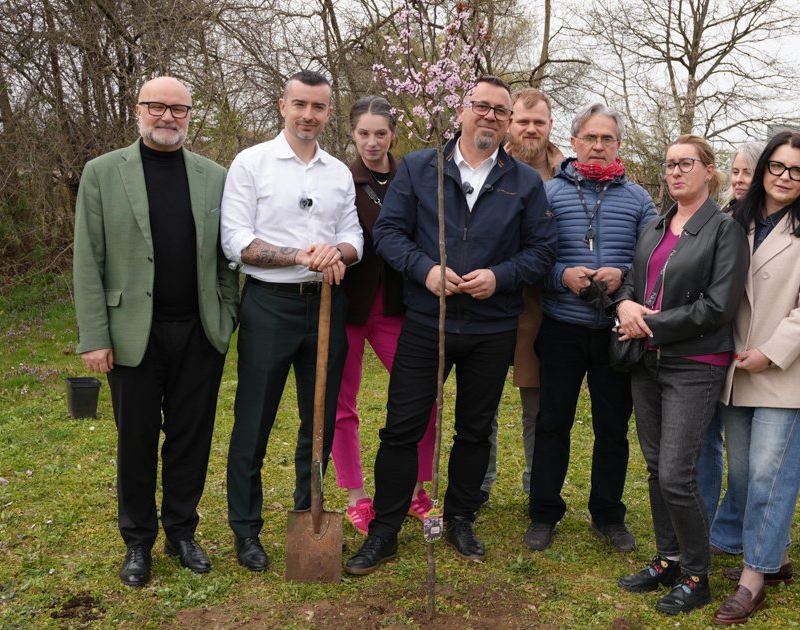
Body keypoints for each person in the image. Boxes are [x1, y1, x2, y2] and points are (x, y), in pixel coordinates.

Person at [343, 76, 555, 574]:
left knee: (475, 430)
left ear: (507, 122)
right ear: (462, 110)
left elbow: (543, 251)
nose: (489, 116)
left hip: (491, 325)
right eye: (481, 106)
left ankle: (460, 517)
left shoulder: (523, 182)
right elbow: (390, 233)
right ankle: (385, 531)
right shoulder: (420, 167)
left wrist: (500, 277)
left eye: (499, 111)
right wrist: (426, 270)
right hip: (427, 321)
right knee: (402, 427)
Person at [73, 76, 238, 586]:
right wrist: (95, 335)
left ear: (191, 115)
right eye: (157, 107)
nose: (168, 117)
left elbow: (228, 257)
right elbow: (88, 260)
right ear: (138, 110)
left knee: (191, 438)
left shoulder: (215, 176)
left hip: (198, 332)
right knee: (137, 441)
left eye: (179, 110)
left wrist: (226, 316)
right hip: (130, 335)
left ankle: (182, 532)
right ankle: (138, 542)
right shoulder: (101, 173)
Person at [219, 70, 363, 572]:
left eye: (318, 107)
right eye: (299, 104)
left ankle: (310, 513)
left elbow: (353, 238)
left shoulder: (337, 172)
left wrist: (335, 251)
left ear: (328, 112)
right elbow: (236, 239)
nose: (308, 115)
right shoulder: (252, 163)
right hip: (269, 307)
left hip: (326, 306)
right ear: (283, 106)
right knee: (254, 419)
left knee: (318, 422)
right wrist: (300, 255)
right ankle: (246, 529)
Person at [613, 135, 749, 615]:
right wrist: (626, 303)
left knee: (677, 472)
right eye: (670, 164)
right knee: (655, 467)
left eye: (686, 164)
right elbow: (634, 278)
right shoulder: (656, 224)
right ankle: (668, 558)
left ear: (708, 171)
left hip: (695, 363)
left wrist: (646, 322)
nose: (675, 172)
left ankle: (698, 573)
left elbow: (718, 307)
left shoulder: (725, 230)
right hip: (646, 362)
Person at [711, 131, 800, 625]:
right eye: (777, 167)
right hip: (735, 369)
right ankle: (777, 557)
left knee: (770, 474)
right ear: (763, 168)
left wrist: (771, 352)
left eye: (797, 171)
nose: (785, 178)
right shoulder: (734, 222)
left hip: (783, 372)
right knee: (742, 475)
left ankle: (753, 578)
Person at [522, 102, 656, 553]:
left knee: (613, 427)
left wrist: (623, 279)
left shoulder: (639, 200)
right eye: (590, 138)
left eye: (608, 139)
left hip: (616, 331)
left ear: (618, 145)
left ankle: (607, 514)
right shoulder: (546, 193)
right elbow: (528, 256)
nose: (598, 146)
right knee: (552, 422)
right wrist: (560, 274)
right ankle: (543, 512)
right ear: (574, 142)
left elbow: (654, 265)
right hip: (561, 325)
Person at [331, 96, 439, 535]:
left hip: (396, 304)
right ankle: (357, 495)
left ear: (393, 134)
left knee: (422, 394)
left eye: (380, 133)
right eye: (363, 134)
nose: (372, 142)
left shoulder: (411, 175)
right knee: (342, 403)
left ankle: (415, 488)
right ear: (352, 134)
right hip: (349, 304)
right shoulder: (340, 179)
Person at [482, 87, 567, 500]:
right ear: (509, 123)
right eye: (523, 121)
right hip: (490, 301)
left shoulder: (568, 174)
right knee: (483, 403)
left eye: (540, 122)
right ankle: (479, 485)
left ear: (550, 126)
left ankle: (537, 487)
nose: (531, 129)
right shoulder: (486, 167)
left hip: (544, 306)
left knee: (537, 407)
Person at [705, 139, 766, 551]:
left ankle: (732, 528)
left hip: (750, 347)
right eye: (737, 171)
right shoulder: (722, 216)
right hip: (710, 344)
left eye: (749, 171)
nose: (741, 179)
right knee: (707, 441)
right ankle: (707, 522)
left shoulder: (770, 223)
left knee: (746, 456)